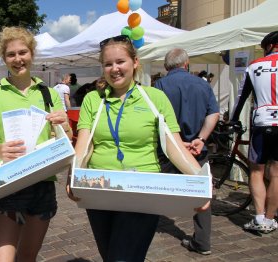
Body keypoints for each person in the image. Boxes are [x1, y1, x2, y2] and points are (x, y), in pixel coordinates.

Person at [66, 35, 207, 261]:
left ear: (135, 62)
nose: (115, 69)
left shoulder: (155, 97)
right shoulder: (93, 99)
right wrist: (74, 173)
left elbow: (174, 146)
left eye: (120, 61)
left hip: (142, 189)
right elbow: (85, 144)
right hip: (100, 190)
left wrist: (200, 181)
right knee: (110, 255)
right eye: (108, 64)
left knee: (122, 257)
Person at [0, 26, 71, 261]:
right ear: (4, 59)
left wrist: (64, 126)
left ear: (32, 54)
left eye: (23, 52)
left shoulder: (49, 94)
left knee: (27, 257)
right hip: (9, 184)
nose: (18, 59)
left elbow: (65, 140)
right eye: (11, 54)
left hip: (43, 183)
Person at [155, 48, 220, 255]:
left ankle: (144, 227)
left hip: (167, 148)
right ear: (187, 63)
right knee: (201, 192)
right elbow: (214, 113)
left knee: (154, 187)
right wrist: (201, 139)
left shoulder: (160, 86)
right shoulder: (202, 84)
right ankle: (202, 241)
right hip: (196, 148)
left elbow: (155, 119)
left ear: (167, 66)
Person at [231, 30, 278, 234]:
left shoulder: (254, 66)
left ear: (268, 46)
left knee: (257, 171)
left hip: (262, 122)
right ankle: (270, 218)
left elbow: (241, 97)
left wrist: (233, 120)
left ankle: (259, 218)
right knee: (277, 174)